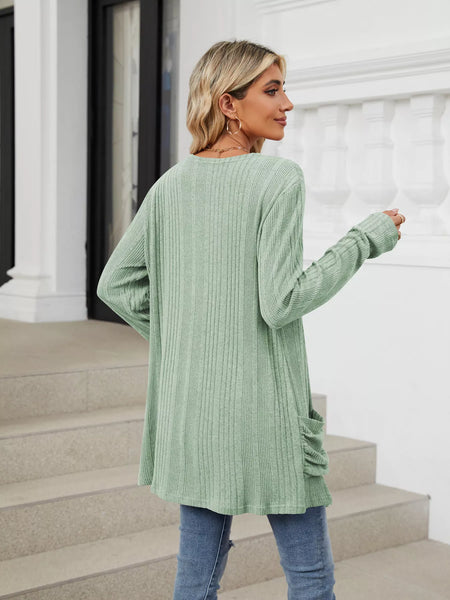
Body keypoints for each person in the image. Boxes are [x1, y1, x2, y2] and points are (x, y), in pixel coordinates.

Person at [97, 39, 405, 600]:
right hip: (266, 415)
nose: (287, 103)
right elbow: (281, 302)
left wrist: (187, 339)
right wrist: (364, 239)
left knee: (195, 581)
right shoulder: (277, 179)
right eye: (272, 90)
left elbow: (115, 284)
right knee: (310, 579)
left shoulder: (170, 185)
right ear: (229, 104)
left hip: (194, 413)